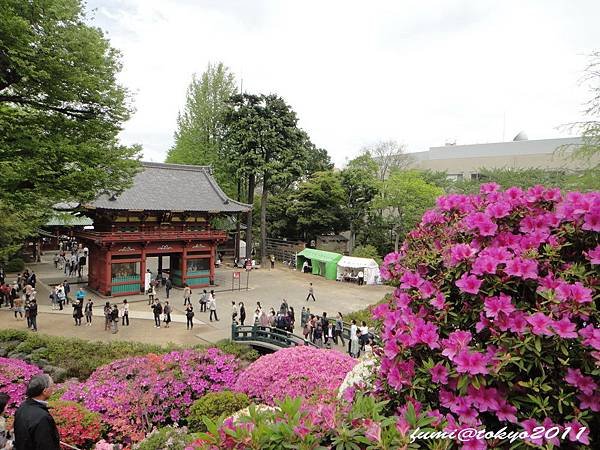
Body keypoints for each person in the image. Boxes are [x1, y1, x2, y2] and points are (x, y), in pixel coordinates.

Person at [13, 374, 60, 450]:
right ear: (45, 391)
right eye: (52, 386)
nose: (53, 389)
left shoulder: (22, 406)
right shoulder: (42, 417)